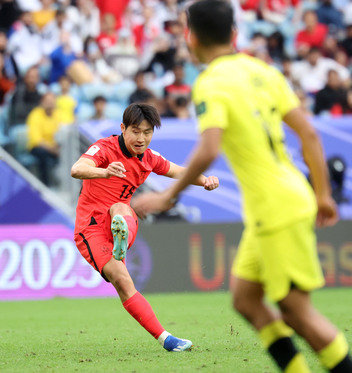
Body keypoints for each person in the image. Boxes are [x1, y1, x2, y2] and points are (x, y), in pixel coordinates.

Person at [132, 1, 352, 372]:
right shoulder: (264, 72)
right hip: (288, 197)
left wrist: (168, 195)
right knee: (246, 298)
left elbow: (208, 149)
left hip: (275, 207)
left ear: (192, 38)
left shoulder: (210, 83)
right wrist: (324, 195)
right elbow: (309, 134)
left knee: (296, 312)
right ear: (234, 34)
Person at [70, 103, 219, 352]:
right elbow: (77, 169)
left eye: (147, 132)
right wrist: (105, 172)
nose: (141, 138)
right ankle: (167, 339)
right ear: (123, 129)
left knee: (123, 208)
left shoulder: (149, 158)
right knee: (123, 281)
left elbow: (178, 171)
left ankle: (120, 236)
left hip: (122, 222)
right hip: (91, 228)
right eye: (136, 131)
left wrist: (205, 180)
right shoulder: (104, 148)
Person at [27, 92, 65, 185]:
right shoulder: (35, 114)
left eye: (52, 101)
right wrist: (53, 149)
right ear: (42, 102)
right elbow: (37, 140)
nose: (50, 103)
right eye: (47, 101)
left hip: (56, 148)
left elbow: (65, 131)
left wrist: (57, 148)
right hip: (39, 147)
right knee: (44, 156)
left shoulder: (59, 114)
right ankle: (45, 185)